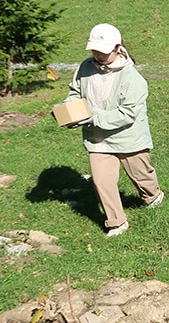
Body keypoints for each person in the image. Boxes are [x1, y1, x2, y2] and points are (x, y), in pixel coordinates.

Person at [64, 23, 163, 236]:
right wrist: (70, 111)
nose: (99, 55)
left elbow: (128, 113)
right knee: (102, 181)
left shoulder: (132, 78)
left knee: (141, 175)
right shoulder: (84, 67)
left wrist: (92, 117)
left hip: (128, 137)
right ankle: (117, 222)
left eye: (104, 52)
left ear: (118, 48)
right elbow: (75, 92)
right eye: (95, 51)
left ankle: (153, 195)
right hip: (98, 138)